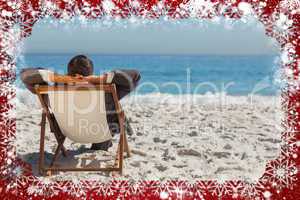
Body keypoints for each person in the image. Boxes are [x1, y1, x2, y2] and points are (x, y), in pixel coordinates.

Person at [21, 54, 141, 151]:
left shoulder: (54, 90)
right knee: (112, 112)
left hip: (67, 132)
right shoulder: (106, 90)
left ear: (68, 72)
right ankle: (100, 146)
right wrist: (99, 79)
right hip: (100, 133)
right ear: (91, 73)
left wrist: (58, 78)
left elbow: (25, 74)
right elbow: (135, 76)